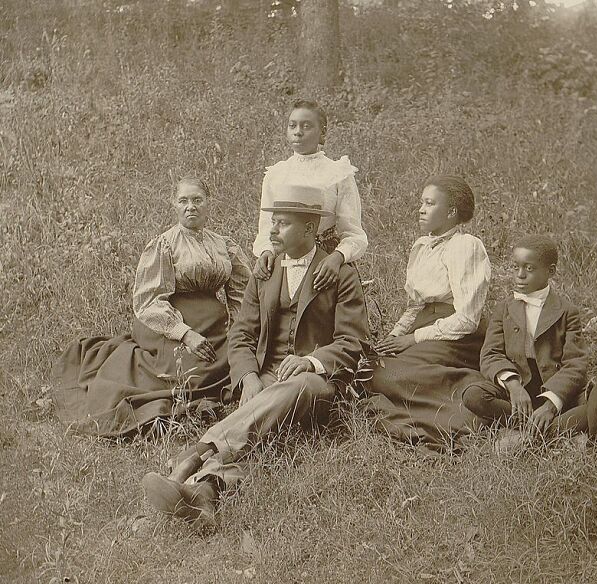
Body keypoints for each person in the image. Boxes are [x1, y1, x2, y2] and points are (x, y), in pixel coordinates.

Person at [142, 184, 369, 529]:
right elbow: (241, 335)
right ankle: (206, 491)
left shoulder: (340, 274)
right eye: (272, 222)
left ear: (310, 229)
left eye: (282, 224)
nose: (272, 231)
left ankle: (194, 455)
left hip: (316, 384)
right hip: (266, 377)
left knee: (298, 386)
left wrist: (311, 361)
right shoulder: (264, 272)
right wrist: (248, 376)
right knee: (264, 432)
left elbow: (353, 342)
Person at [52, 177, 251, 437]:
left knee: (233, 357)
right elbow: (148, 301)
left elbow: (241, 294)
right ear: (174, 205)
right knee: (194, 370)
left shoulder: (224, 245)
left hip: (213, 324)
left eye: (197, 200)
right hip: (167, 321)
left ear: (208, 204)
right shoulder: (164, 245)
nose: (190, 206)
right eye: (183, 201)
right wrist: (185, 334)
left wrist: (238, 329)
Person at [463, 234, 597, 445]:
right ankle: (555, 434)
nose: (519, 275)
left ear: (550, 271)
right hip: (519, 392)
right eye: (516, 267)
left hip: (556, 392)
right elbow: (490, 354)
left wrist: (551, 405)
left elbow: (575, 364)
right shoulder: (504, 309)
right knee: (473, 395)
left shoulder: (567, 311)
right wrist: (514, 387)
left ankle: (532, 435)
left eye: (529, 269)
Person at [363, 175, 491, 447]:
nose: (421, 209)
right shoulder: (422, 247)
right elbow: (415, 306)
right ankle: (421, 413)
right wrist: (392, 337)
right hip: (425, 326)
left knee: (387, 373)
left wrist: (412, 339)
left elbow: (467, 318)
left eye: (430, 203)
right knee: (374, 365)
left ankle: (466, 409)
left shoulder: (465, 246)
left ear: (451, 212)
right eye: (421, 202)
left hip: (458, 336)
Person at [252, 99, 368, 291]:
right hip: (284, 258)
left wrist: (337, 258)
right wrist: (266, 251)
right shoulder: (276, 174)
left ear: (322, 132)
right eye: (292, 125)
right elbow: (266, 227)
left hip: (326, 262)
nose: (298, 131)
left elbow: (353, 233)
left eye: (306, 126)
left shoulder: (338, 173)